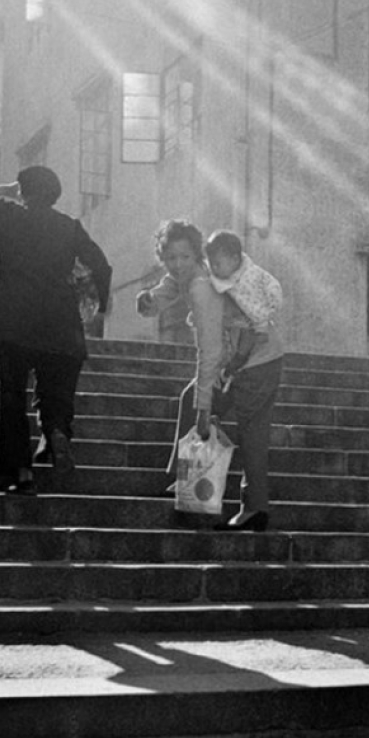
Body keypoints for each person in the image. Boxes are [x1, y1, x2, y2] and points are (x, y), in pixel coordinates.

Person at [0, 166, 112, 495]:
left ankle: (21, 473)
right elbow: (101, 265)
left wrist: (5, 190)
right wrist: (100, 307)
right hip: (60, 319)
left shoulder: (8, 214)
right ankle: (56, 431)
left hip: (14, 319)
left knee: (13, 395)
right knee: (55, 389)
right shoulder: (69, 227)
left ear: (23, 189)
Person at [136, 220, 284, 532]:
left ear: (196, 255)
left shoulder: (202, 287)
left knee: (251, 432)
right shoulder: (188, 275)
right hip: (242, 358)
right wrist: (150, 298)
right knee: (192, 397)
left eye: (184, 257)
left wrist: (205, 409)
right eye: (171, 258)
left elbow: (210, 352)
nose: (177, 264)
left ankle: (254, 508)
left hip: (257, 361)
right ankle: (182, 478)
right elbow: (171, 286)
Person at [204, 229, 283, 387]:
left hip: (261, 359)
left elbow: (248, 326)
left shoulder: (244, 286)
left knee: (246, 407)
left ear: (234, 260)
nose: (214, 268)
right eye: (211, 264)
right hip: (253, 358)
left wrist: (235, 362)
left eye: (217, 264)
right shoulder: (222, 281)